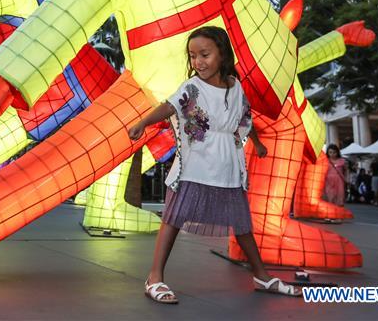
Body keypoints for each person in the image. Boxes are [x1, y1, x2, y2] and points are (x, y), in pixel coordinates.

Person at [128, 26, 300, 303]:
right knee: (173, 217)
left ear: (222, 54)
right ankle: (154, 277)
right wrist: (143, 122)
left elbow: (244, 117)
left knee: (241, 223)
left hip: (227, 162)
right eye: (193, 56)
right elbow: (170, 106)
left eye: (204, 54)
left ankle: (262, 276)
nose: (198, 61)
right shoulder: (192, 87)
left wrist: (256, 143)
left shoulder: (236, 87)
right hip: (197, 161)